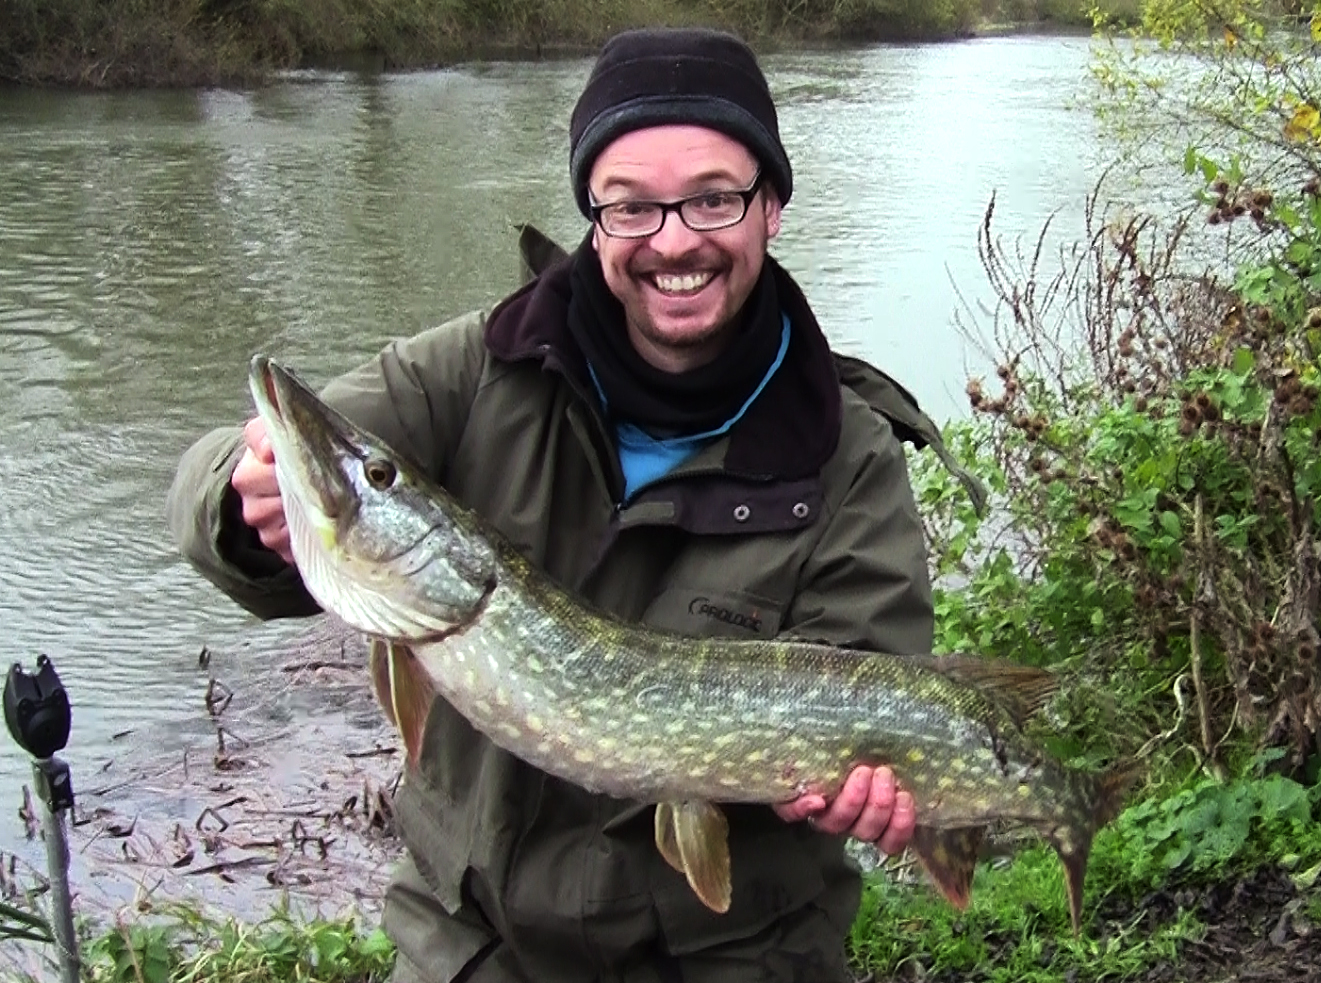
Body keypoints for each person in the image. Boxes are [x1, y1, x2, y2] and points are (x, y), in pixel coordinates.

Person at [168, 27, 945, 983]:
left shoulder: (846, 449)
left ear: (771, 207)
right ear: (592, 216)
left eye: (713, 198)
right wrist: (240, 498)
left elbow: (874, 670)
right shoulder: (476, 367)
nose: (674, 242)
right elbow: (219, 473)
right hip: (474, 943)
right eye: (632, 208)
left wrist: (867, 790)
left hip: (733, 958)